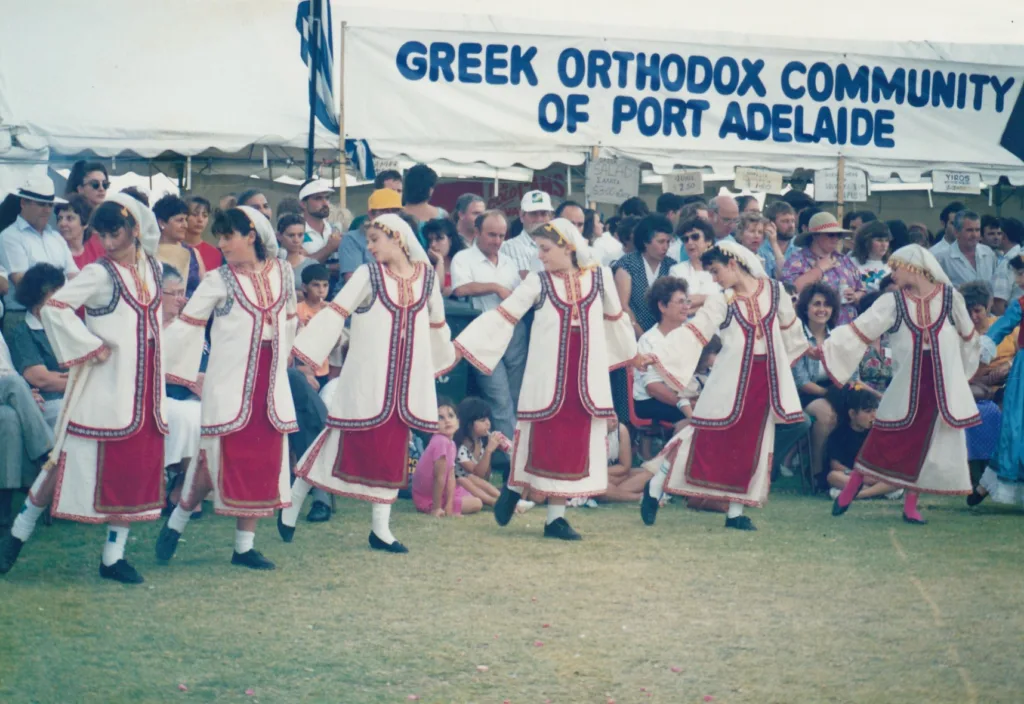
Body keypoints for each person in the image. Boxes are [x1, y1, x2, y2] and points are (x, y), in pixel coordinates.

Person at [0, 196, 166, 583]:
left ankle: (113, 556)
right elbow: (55, 307)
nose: (107, 243)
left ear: (135, 230)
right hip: (103, 386)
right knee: (64, 461)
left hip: (143, 391)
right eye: (102, 234)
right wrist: (89, 347)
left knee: (131, 470)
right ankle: (17, 534)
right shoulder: (99, 273)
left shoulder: (153, 269)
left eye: (115, 234)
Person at [280, 214, 456, 553]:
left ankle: (381, 529)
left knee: (391, 453)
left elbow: (436, 324)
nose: (370, 247)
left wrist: (435, 364)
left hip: (404, 386)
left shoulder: (426, 278)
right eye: (369, 240)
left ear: (399, 239)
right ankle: (293, 505)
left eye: (376, 240)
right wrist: (305, 351)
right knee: (335, 444)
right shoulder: (368, 275)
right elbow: (336, 312)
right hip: (367, 380)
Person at [454, 219, 636, 540]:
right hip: (548, 381)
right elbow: (504, 315)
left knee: (572, 448)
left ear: (568, 246)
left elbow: (615, 319)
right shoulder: (538, 283)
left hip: (584, 383)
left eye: (545, 249)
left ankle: (555, 519)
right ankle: (514, 486)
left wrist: (632, 353)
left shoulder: (600, 277)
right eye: (538, 248)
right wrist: (464, 345)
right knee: (542, 442)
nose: (540, 256)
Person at [156, 206, 298, 571]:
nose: (221, 244)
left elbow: (291, 318)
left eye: (227, 236)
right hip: (230, 383)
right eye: (218, 237)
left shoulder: (283, 271)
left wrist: (287, 359)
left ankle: (244, 547)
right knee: (212, 461)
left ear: (251, 235)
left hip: (269, 384)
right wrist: (156, 358)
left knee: (260, 461)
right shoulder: (219, 279)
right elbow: (188, 325)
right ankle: (178, 520)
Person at [639, 241, 807, 530]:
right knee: (700, 436)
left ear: (733, 263)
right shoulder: (721, 300)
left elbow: (790, 329)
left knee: (751, 444)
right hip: (729, 381)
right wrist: (657, 355)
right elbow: (695, 332)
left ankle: (735, 512)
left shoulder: (774, 291)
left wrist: (794, 356)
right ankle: (655, 486)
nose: (715, 279)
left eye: (716, 272)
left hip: (763, 380)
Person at [815, 245, 981, 524]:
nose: (893, 273)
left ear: (914, 268)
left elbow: (968, 336)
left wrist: (960, 374)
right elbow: (863, 328)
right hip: (907, 383)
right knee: (884, 435)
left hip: (939, 384)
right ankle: (853, 485)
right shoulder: (894, 302)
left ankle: (910, 506)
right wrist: (827, 349)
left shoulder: (951, 298)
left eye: (897, 268)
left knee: (924, 444)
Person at [450, 210, 526, 442]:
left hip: (513, 331)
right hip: (483, 334)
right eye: (492, 235)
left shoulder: (509, 261)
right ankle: (511, 457)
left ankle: (513, 455)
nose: (497, 241)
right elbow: (460, 289)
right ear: (477, 233)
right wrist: (495, 287)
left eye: (502, 236)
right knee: (499, 398)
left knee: (516, 396)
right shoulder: (463, 258)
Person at [970, 255, 1024, 508]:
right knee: (1014, 423)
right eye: (1017, 274)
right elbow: (1001, 326)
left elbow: (1002, 326)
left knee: (1015, 424)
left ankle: (984, 487)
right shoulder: (1021, 304)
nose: (1018, 279)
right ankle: (985, 486)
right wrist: (987, 344)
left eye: (1020, 273)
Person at [0, 176, 79, 338]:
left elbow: (74, 275)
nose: (47, 210)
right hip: (22, 316)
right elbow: (22, 282)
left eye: (50, 204)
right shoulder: (9, 236)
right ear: (23, 203)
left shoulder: (56, 237)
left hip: (58, 313)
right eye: (41, 204)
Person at [158, 265, 202, 514]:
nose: (180, 299)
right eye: (173, 293)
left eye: (182, 292)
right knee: (189, 417)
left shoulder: (188, 326)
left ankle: (186, 485)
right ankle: (185, 489)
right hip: (161, 395)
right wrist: (187, 379)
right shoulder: (146, 328)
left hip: (193, 393)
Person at [0, 330, 53, 529]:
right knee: (14, 385)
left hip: (4, 394)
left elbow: (8, 371)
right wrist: (19, 389)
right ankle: (47, 451)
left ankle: (3, 509)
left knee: (8, 418)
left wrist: (26, 393)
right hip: (6, 388)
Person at [961, 282, 1011, 480]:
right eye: (968, 312)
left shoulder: (1005, 326)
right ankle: (979, 476)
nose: (973, 317)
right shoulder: (961, 335)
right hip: (976, 389)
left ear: (988, 306)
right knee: (984, 409)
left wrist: (1009, 365)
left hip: (1010, 383)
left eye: (977, 311)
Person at [792, 282, 842, 480]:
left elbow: (852, 376)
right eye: (817, 304)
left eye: (827, 305)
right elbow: (801, 382)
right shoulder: (797, 337)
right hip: (804, 394)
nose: (822, 309)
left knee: (864, 411)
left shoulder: (837, 337)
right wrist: (831, 394)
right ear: (806, 307)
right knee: (827, 414)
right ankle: (817, 472)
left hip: (834, 390)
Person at [8, 264, 68, 426]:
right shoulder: (23, 332)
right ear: (38, 297)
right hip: (50, 402)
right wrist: (82, 381)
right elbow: (42, 379)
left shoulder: (71, 324)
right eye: (56, 291)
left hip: (76, 393)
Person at [781, 211, 865, 324]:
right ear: (815, 236)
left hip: (848, 329)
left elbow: (862, 290)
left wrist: (855, 296)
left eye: (838, 235)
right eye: (830, 235)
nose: (835, 239)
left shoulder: (844, 260)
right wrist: (818, 270)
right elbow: (791, 291)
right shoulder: (797, 260)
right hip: (814, 330)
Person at [633, 276, 691, 428]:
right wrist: (685, 404)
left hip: (682, 395)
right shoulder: (648, 340)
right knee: (692, 423)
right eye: (680, 302)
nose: (686, 307)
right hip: (651, 401)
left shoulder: (690, 335)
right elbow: (652, 388)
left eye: (687, 301)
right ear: (662, 306)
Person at [825, 386, 899, 499]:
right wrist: (857, 475)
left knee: (899, 476)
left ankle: (860, 494)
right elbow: (835, 465)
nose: (873, 415)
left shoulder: (876, 433)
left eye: (875, 410)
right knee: (833, 477)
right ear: (853, 414)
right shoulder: (839, 434)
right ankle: (878, 492)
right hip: (851, 475)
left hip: (874, 476)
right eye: (868, 411)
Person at [411, 398, 483, 517]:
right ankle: (441, 507)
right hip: (428, 499)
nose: (447, 421)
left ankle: (449, 506)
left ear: (458, 422)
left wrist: (450, 505)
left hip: (439, 494)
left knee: (473, 494)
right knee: (477, 503)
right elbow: (439, 478)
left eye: (450, 416)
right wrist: (436, 508)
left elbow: (450, 476)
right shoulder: (440, 442)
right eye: (441, 418)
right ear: (432, 424)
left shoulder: (451, 443)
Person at [614, 214, 676, 336]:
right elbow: (623, 306)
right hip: (631, 333)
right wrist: (642, 336)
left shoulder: (671, 266)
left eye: (668, 242)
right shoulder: (627, 264)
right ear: (645, 242)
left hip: (665, 336)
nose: (665, 247)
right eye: (661, 242)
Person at [338, 188, 403, 283]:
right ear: (371, 214)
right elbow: (354, 283)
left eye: (394, 211)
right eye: (384, 211)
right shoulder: (352, 239)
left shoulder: (402, 237)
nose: (390, 216)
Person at [452, 397, 506, 508]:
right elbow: (478, 474)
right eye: (482, 420)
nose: (488, 423)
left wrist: (491, 450)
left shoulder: (481, 443)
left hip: (477, 486)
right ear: (469, 424)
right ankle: (497, 503)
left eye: (488, 419)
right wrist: (488, 451)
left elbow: (485, 477)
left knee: (474, 480)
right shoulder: (461, 448)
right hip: (460, 487)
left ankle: (505, 500)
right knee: (469, 479)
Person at [154, 195, 205, 297]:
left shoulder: (193, 253)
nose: (185, 225)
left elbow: (204, 289)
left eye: (186, 220)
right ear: (161, 222)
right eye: (179, 220)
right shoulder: (149, 252)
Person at [668, 217, 720, 312]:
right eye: (686, 239)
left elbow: (726, 303)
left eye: (695, 237)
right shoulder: (677, 270)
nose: (690, 242)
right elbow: (678, 306)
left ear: (708, 241)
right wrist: (711, 299)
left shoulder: (720, 269)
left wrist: (696, 301)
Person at [501, 190, 554, 279]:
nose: (539, 219)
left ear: (550, 217)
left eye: (544, 213)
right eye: (533, 213)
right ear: (521, 216)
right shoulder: (507, 248)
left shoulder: (558, 247)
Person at [935, 210, 996, 287]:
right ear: (956, 232)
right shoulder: (942, 258)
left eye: (977, 230)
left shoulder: (988, 253)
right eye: (969, 230)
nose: (974, 235)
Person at [296, 264, 333, 388]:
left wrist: (329, 317)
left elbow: (335, 343)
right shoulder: (297, 310)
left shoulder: (331, 311)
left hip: (322, 369)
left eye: (325, 285)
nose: (321, 290)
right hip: (300, 368)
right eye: (316, 285)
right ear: (304, 287)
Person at [298, 179, 342, 264]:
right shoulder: (295, 232)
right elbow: (301, 266)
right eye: (318, 198)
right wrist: (329, 248)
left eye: (327, 197)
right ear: (303, 204)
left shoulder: (334, 229)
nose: (325, 203)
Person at [55, 194, 104, 269]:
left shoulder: (98, 244)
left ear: (85, 223)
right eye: (60, 218)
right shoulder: (55, 252)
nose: (62, 223)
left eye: (70, 218)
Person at [277, 213, 315, 296]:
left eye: (300, 235)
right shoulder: (272, 265)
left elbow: (317, 295)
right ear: (279, 236)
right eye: (291, 235)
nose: (296, 240)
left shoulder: (312, 265)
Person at [423, 218, 462, 296]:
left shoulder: (462, 264)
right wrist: (440, 261)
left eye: (439, 239)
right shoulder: (426, 267)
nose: (433, 245)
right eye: (430, 240)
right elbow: (435, 291)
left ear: (450, 240)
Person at [992, 217, 1023, 315]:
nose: (996, 237)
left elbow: (998, 304)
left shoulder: (1007, 264)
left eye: (999, 233)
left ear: (1004, 236)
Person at [851, 221, 892, 292]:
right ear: (866, 242)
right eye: (879, 240)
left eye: (886, 240)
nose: (884, 244)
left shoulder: (891, 267)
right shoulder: (851, 263)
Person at [184, 196, 221, 271]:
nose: (200, 219)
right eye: (194, 214)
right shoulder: (174, 248)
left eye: (205, 216)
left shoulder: (215, 254)